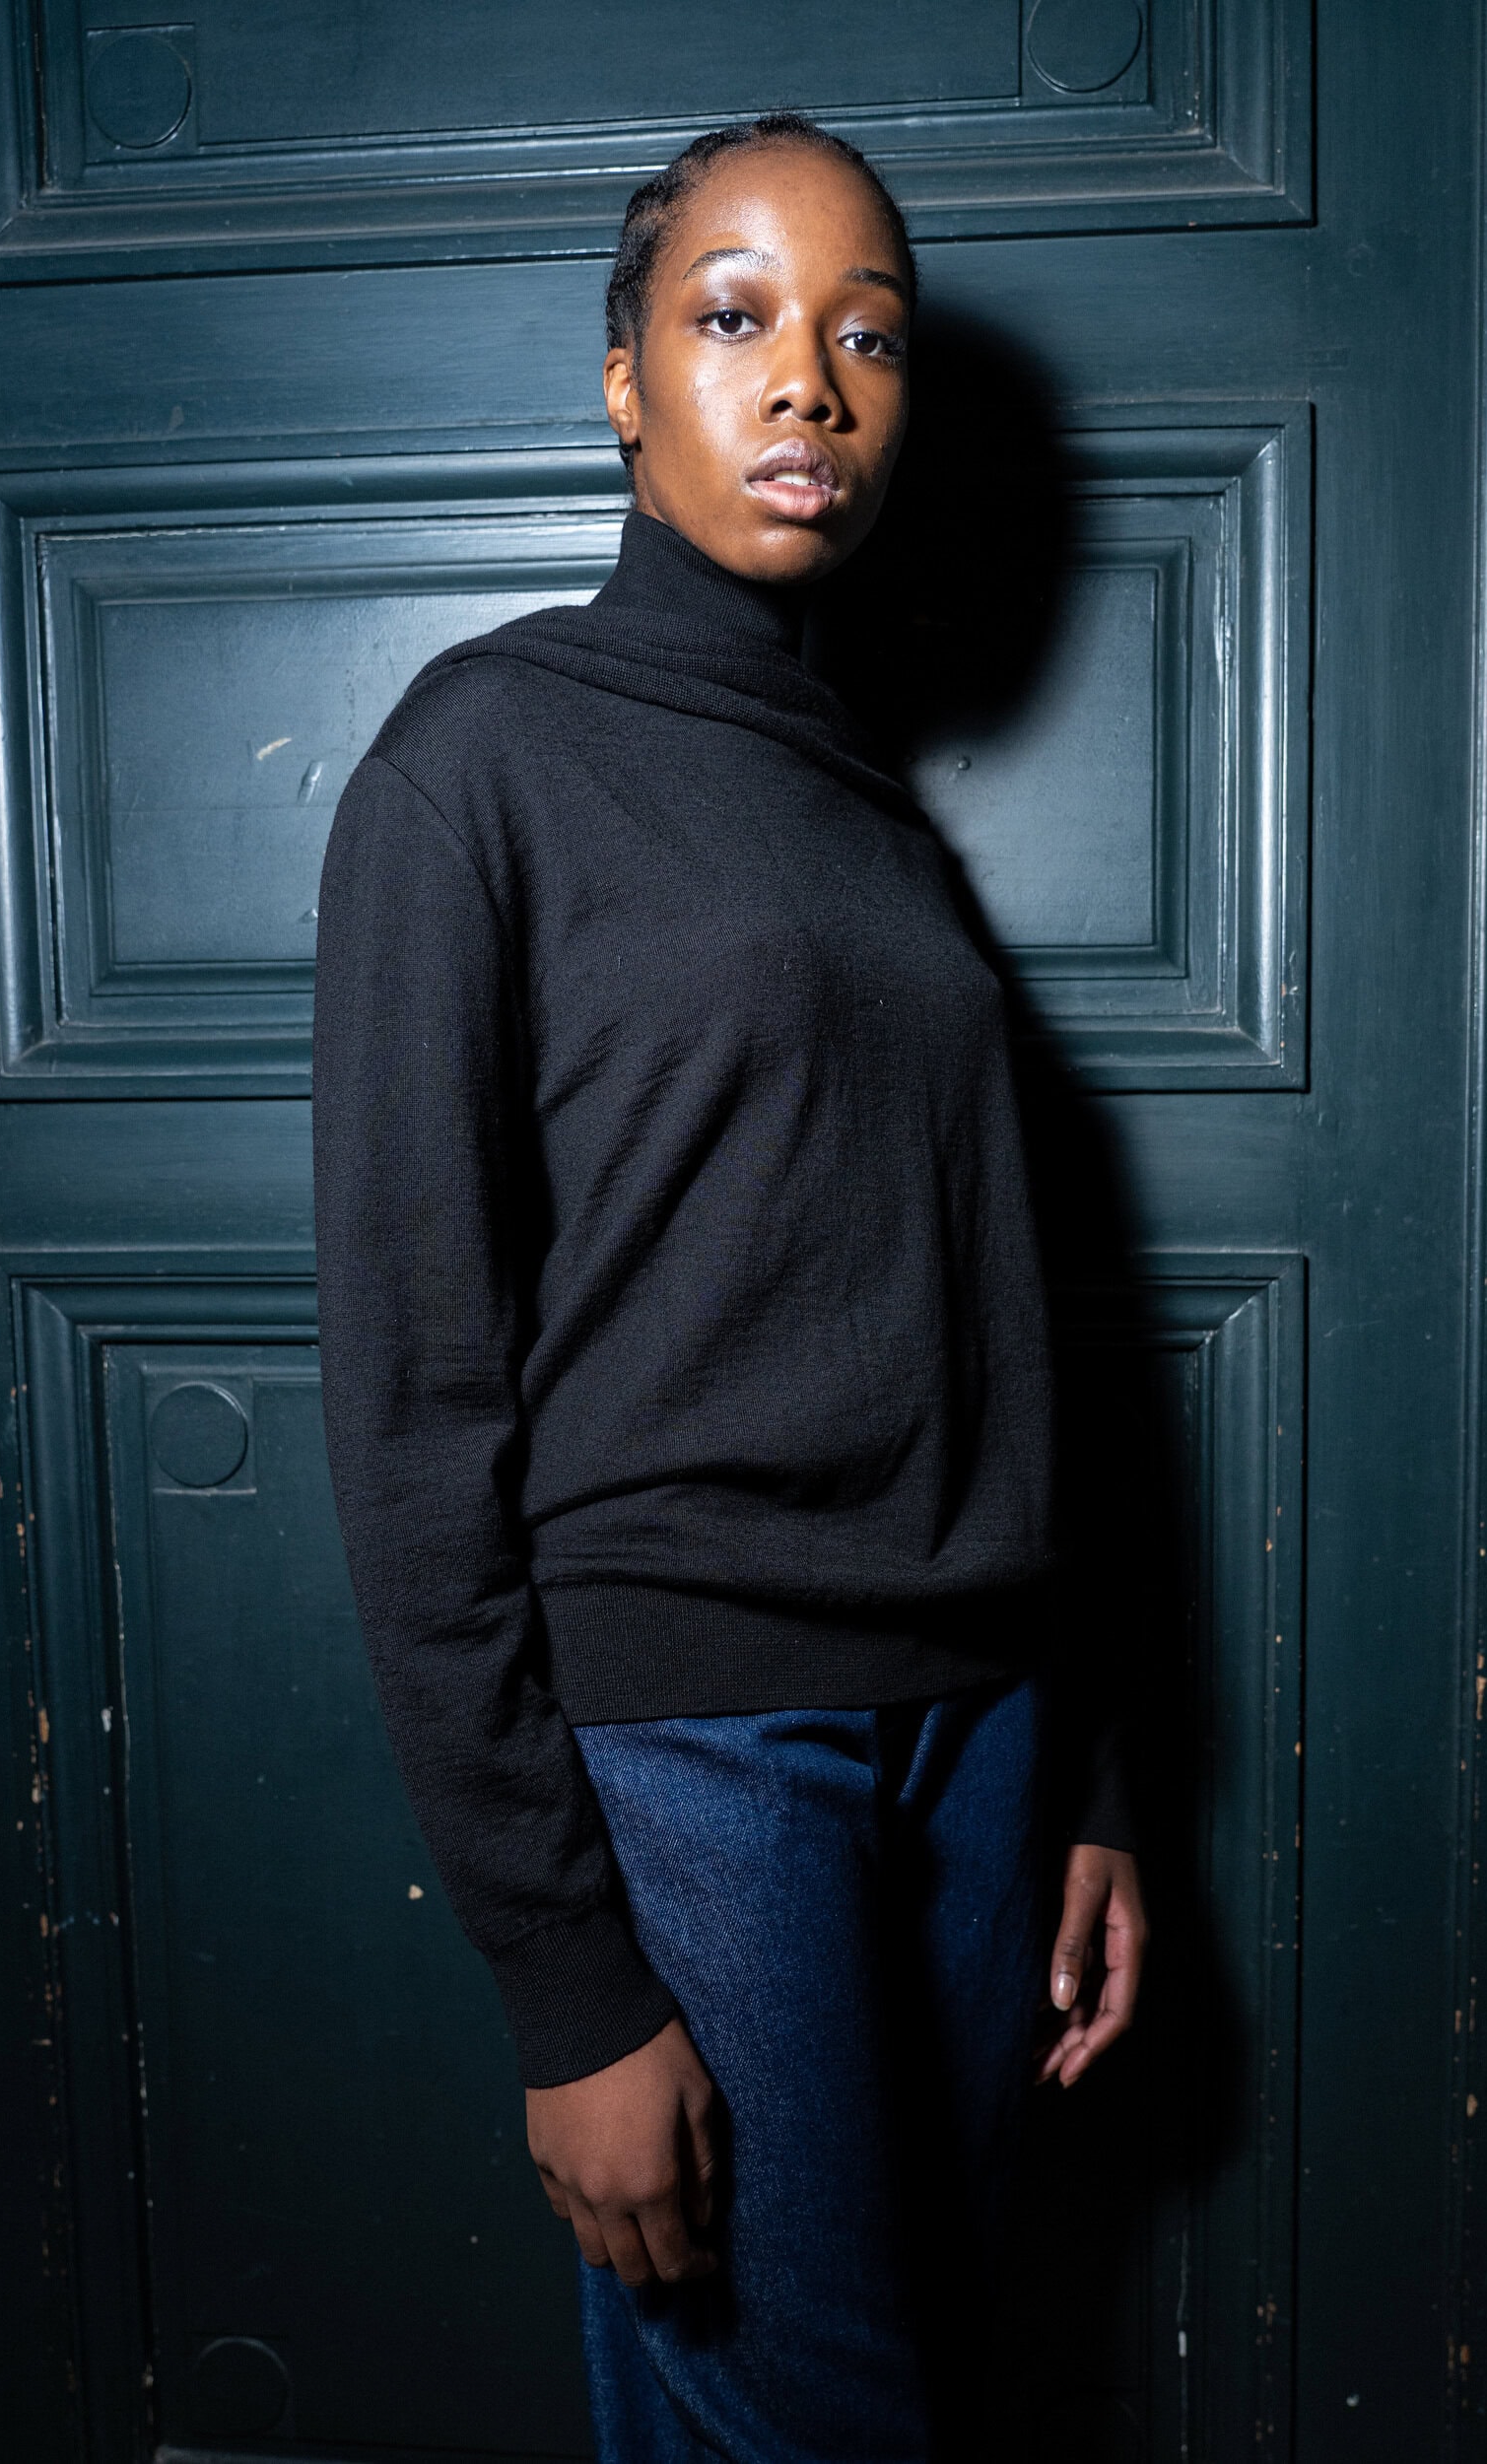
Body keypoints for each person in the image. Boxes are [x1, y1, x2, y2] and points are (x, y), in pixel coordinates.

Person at [311, 110, 1148, 2464]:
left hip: (974, 1725)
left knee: (935, 2379)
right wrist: (566, 1983)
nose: (807, 380)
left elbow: (983, 1304)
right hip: (703, 1740)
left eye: (866, 335)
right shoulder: (479, 757)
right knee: (805, 2418)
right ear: (622, 376)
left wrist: (1084, 1763)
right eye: (733, 316)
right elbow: (413, 1401)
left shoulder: (862, 808)